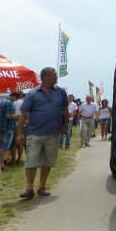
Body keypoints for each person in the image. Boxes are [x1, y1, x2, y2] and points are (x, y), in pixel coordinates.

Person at [16, 67, 69, 199]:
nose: (56, 77)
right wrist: (19, 133)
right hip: (35, 133)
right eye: (53, 75)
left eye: (55, 74)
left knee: (48, 161)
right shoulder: (32, 94)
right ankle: (29, 188)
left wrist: (65, 125)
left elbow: (65, 110)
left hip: (53, 132)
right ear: (44, 77)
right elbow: (23, 115)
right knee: (31, 161)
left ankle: (42, 187)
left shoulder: (61, 92)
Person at [0, 92, 20, 170]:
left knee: (0, 145)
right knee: (4, 146)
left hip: (0, 127)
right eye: (16, 98)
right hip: (7, 128)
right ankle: (1, 164)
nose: (16, 100)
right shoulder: (9, 103)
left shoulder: (2, 102)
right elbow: (8, 116)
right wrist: (18, 115)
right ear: (14, 96)